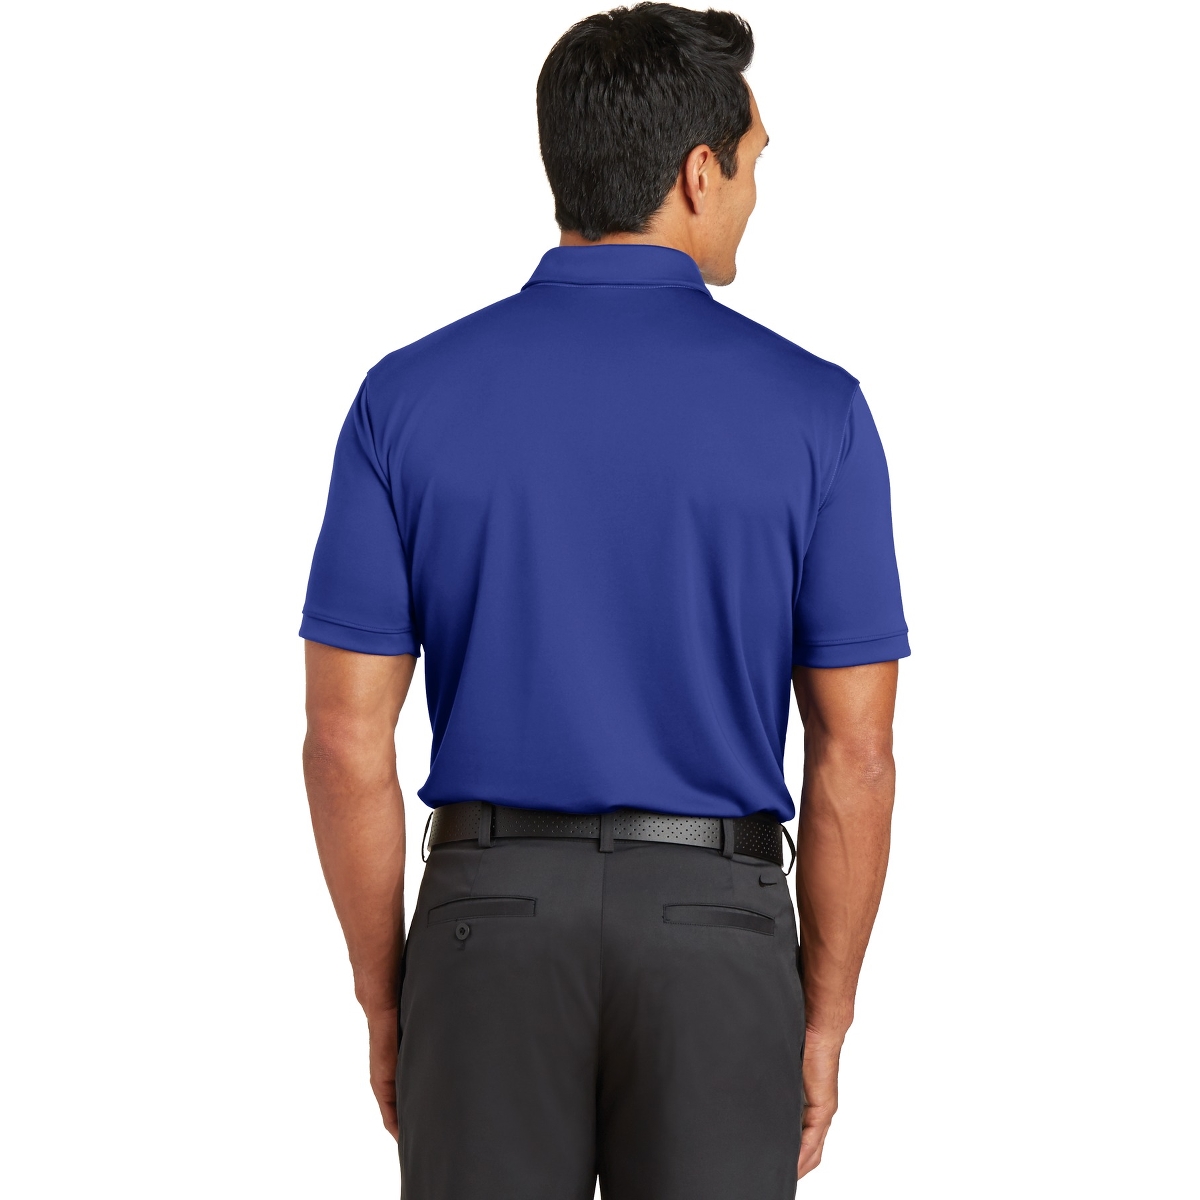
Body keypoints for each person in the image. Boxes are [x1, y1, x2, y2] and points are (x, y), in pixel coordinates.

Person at [301, 4, 908, 1197]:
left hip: (486, 929)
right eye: (753, 162)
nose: (753, 193)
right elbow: (858, 753)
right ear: (697, 174)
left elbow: (343, 737)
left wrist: (386, 994)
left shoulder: (404, 398)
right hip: (718, 938)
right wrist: (826, 1017)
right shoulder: (818, 412)